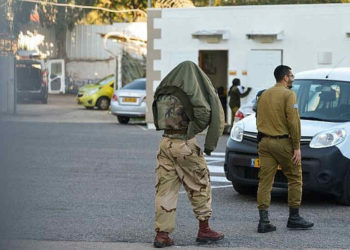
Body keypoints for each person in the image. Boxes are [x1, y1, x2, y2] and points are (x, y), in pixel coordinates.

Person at [152, 61, 225, 248]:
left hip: (165, 142)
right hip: (184, 143)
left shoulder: (167, 88)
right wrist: (193, 130)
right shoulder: (192, 90)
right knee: (200, 184)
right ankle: (204, 229)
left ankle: (162, 234)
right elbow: (205, 112)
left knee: (165, 188)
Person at [256, 65, 314, 233]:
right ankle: (294, 217)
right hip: (282, 142)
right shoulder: (289, 95)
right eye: (291, 76)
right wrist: (296, 146)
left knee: (265, 181)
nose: (293, 78)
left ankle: (264, 221)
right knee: (295, 177)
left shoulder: (264, 94)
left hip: (264, 142)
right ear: (284, 77)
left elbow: (259, 117)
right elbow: (293, 123)